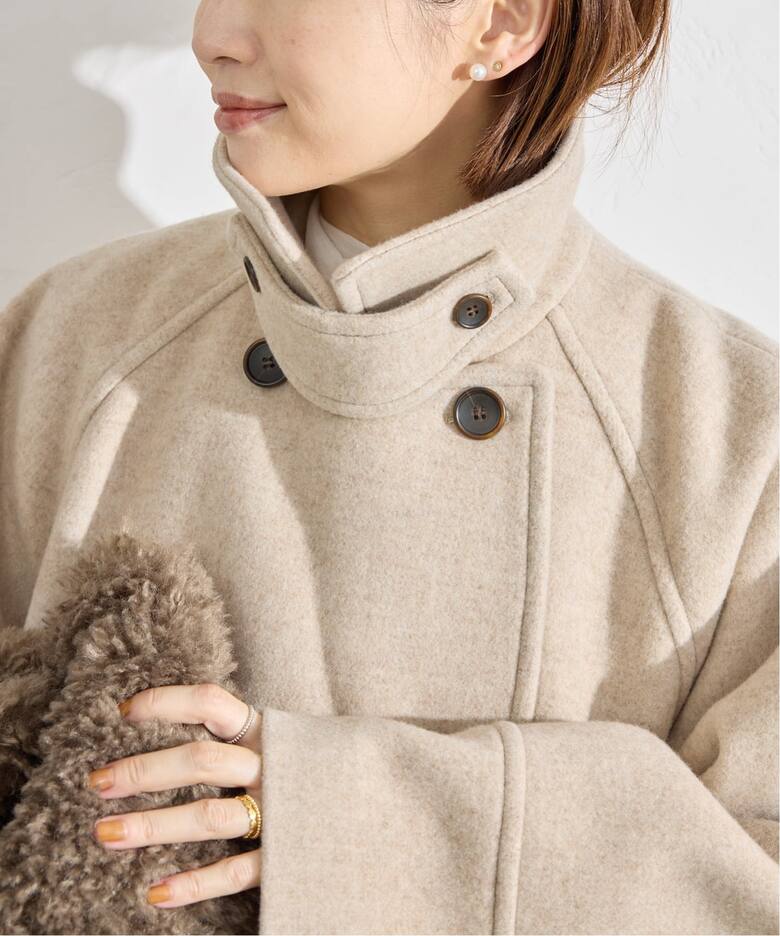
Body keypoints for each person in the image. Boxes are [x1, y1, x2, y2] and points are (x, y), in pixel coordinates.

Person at [0, 0, 777, 932]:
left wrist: (354, 824)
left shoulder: (730, 434)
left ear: (502, 22)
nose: (211, 37)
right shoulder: (73, 340)